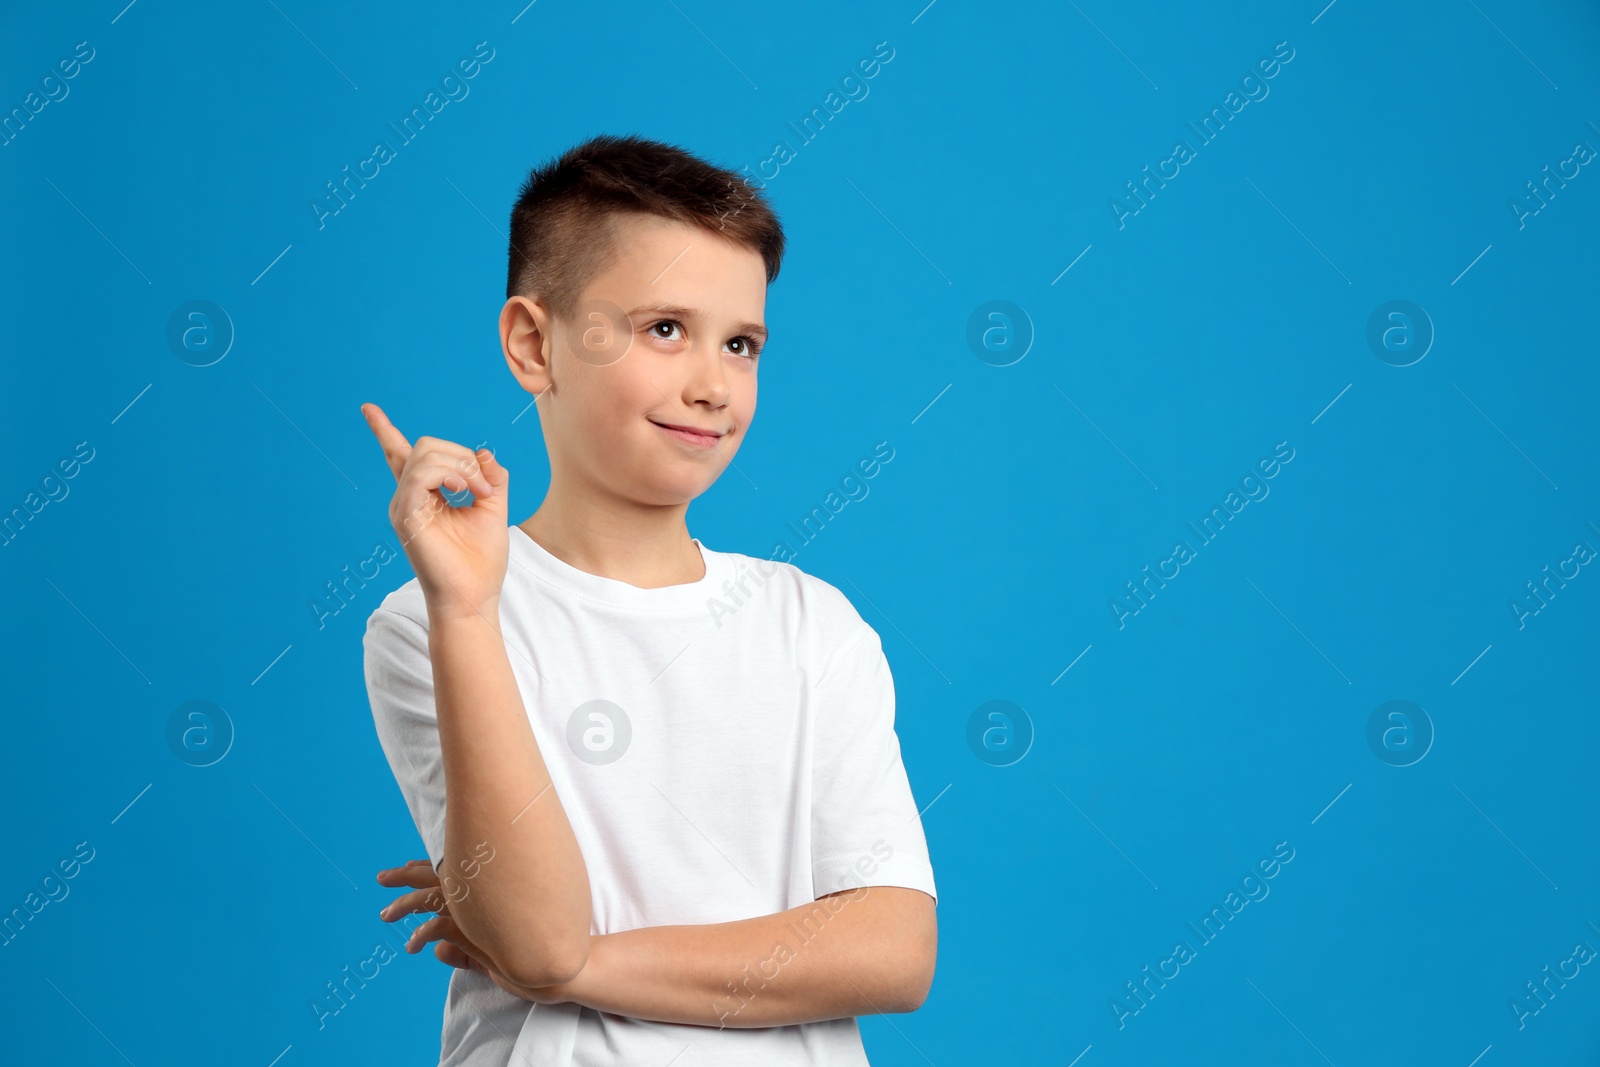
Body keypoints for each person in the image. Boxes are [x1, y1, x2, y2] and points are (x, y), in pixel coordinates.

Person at [359, 133, 937, 1066]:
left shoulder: (812, 625)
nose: (713, 385)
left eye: (741, 344)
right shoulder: (432, 622)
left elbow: (895, 950)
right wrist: (465, 608)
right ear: (533, 343)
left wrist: (579, 966)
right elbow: (537, 932)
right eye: (665, 329)